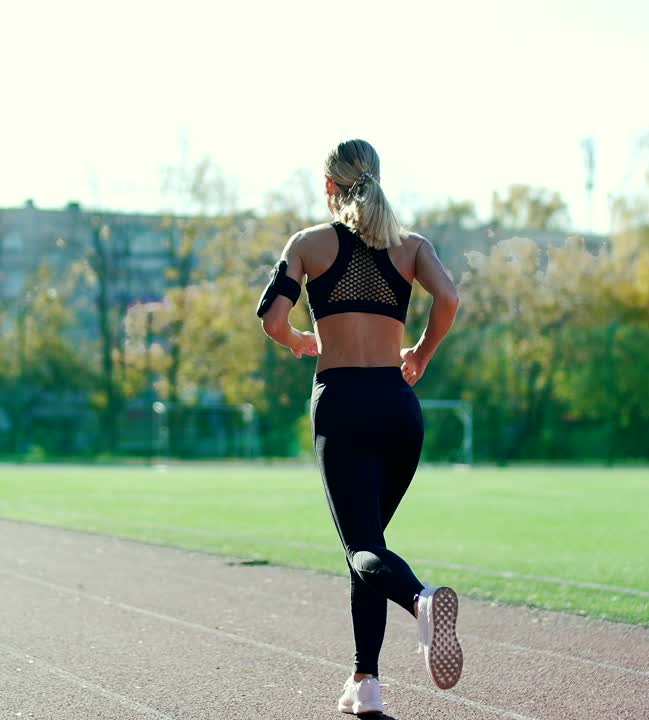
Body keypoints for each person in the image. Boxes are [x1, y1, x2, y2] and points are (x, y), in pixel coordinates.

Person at [256, 139, 463, 715]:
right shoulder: (411, 247)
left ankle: (421, 600)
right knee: (366, 547)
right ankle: (365, 684)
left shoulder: (308, 245)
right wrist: (420, 353)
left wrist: (299, 339)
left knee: (363, 547)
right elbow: (448, 297)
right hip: (399, 409)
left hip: (344, 403)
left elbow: (272, 318)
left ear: (328, 187)